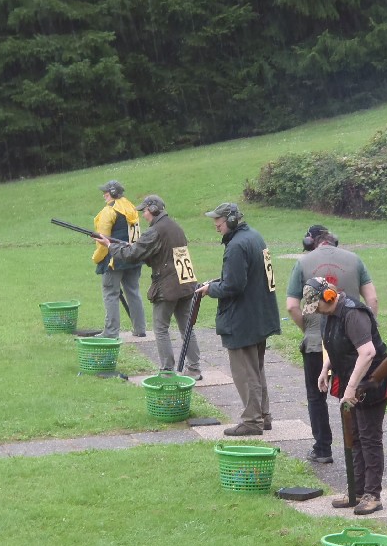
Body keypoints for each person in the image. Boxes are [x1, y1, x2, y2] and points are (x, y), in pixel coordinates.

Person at [286, 225, 378, 465]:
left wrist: (310, 331)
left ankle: (323, 448)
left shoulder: (302, 263)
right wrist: (367, 330)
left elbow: (292, 306)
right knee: (352, 392)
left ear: (311, 242)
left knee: (316, 396)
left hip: (316, 343)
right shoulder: (355, 259)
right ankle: (357, 447)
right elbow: (372, 299)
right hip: (351, 345)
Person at [303, 277, 387, 516]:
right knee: (353, 436)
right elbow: (337, 345)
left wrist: (351, 388)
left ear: (328, 297)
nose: (316, 311)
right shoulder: (330, 315)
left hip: (371, 382)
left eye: (316, 305)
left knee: (369, 437)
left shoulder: (354, 314)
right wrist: (325, 368)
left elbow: (367, 353)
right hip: (351, 381)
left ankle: (373, 495)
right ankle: (357, 491)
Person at [92, 195, 201, 378]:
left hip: (168, 285)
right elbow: (160, 253)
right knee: (186, 327)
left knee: (160, 328)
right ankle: (195, 369)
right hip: (186, 283)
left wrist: (110, 246)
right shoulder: (175, 227)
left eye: (145, 211)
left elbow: (132, 255)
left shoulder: (155, 231)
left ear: (153, 210)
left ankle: (167, 371)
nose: (143, 214)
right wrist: (132, 246)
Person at [197, 203, 281, 436]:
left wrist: (211, 289)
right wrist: (218, 282)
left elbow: (234, 285)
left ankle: (252, 420)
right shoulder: (255, 236)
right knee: (256, 369)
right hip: (259, 314)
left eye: (219, 221)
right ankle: (263, 415)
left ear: (232, 220)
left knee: (245, 372)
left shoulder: (236, 245)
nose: (216, 226)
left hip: (243, 318)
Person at [91, 180, 147, 339]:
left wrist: (97, 258)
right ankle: (140, 328)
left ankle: (111, 332)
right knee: (133, 292)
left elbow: (103, 241)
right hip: (134, 256)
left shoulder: (109, 211)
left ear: (112, 193)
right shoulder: (131, 207)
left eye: (106, 192)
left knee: (110, 293)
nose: (104, 195)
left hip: (114, 259)